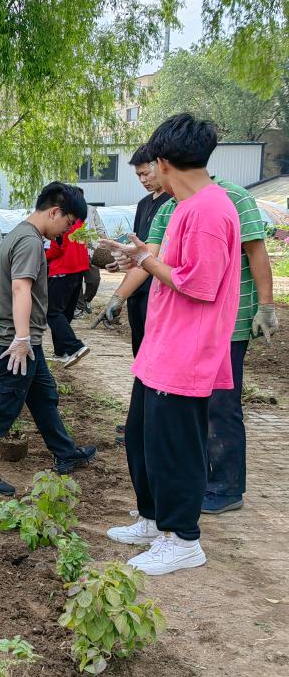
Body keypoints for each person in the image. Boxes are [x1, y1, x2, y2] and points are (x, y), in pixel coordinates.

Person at [99, 157, 278, 519]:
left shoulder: (230, 199)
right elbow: (151, 258)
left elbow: (255, 253)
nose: (146, 179)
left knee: (220, 406)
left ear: (168, 164)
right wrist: (119, 295)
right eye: (139, 174)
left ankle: (225, 486)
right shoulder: (168, 207)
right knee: (179, 414)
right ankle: (185, 493)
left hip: (226, 322)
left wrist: (266, 305)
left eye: (149, 170)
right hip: (183, 327)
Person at [102, 113, 242, 575]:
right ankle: (152, 518)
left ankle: (182, 539)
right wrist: (142, 255)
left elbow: (198, 285)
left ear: (164, 162)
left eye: (150, 166)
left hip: (187, 351)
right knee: (143, 437)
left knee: (176, 447)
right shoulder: (186, 206)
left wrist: (146, 260)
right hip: (162, 347)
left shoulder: (207, 212)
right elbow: (172, 262)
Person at [0, 182, 98, 496]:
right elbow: (21, 288)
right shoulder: (29, 242)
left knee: (43, 397)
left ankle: (65, 453)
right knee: (1, 406)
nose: (66, 231)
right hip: (14, 343)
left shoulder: (21, 235)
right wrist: (22, 339)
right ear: (54, 212)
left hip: (25, 340)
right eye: (67, 223)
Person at [93, 144, 171, 354]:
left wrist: (118, 296)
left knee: (156, 353)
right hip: (138, 291)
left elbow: (152, 255)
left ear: (161, 165)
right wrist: (122, 263)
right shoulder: (144, 204)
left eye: (146, 173)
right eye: (138, 175)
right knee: (140, 351)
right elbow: (140, 250)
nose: (143, 180)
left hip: (159, 291)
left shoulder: (172, 204)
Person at [45, 210, 90, 366]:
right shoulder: (79, 221)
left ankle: (75, 347)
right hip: (78, 270)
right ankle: (60, 352)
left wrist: (42, 257)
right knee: (65, 312)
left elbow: (57, 247)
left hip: (62, 269)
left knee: (52, 312)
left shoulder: (63, 221)